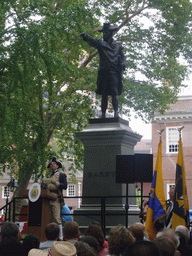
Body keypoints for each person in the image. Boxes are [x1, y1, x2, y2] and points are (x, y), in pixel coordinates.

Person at [80, 22, 126, 118]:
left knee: (114, 92)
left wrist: (123, 63)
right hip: (104, 72)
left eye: (106, 33)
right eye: (103, 33)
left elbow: (123, 58)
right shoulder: (101, 44)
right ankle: (103, 113)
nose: (104, 34)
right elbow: (93, 41)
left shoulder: (118, 46)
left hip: (113, 72)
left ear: (110, 34)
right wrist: (86, 37)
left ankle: (116, 113)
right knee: (104, 93)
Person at [44, 157, 67, 240]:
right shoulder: (49, 176)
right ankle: (50, 237)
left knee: (57, 218)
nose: (52, 165)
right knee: (50, 219)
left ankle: (60, 237)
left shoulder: (61, 174)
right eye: (51, 164)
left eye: (54, 164)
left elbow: (65, 186)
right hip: (47, 198)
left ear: (57, 166)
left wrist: (56, 183)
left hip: (56, 198)